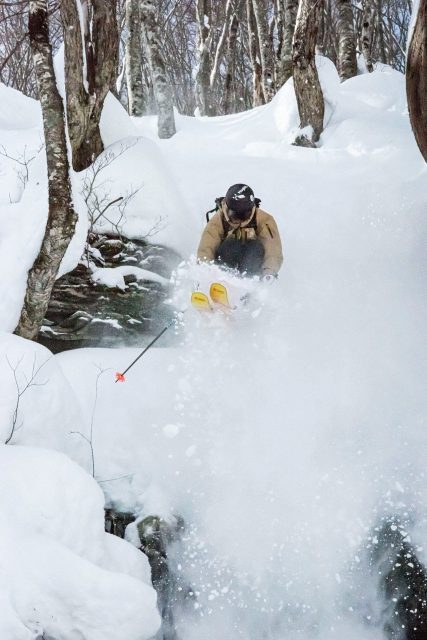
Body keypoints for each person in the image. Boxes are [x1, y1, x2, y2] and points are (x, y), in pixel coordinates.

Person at [197, 183, 283, 279]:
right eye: (234, 214)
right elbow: (207, 245)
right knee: (231, 244)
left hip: (252, 262)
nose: (240, 220)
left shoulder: (264, 220)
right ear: (227, 208)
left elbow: (273, 249)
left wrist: (269, 271)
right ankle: (223, 278)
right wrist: (204, 268)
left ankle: (247, 281)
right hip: (226, 257)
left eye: (244, 215)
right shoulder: (219, 219)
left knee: (255, 247)